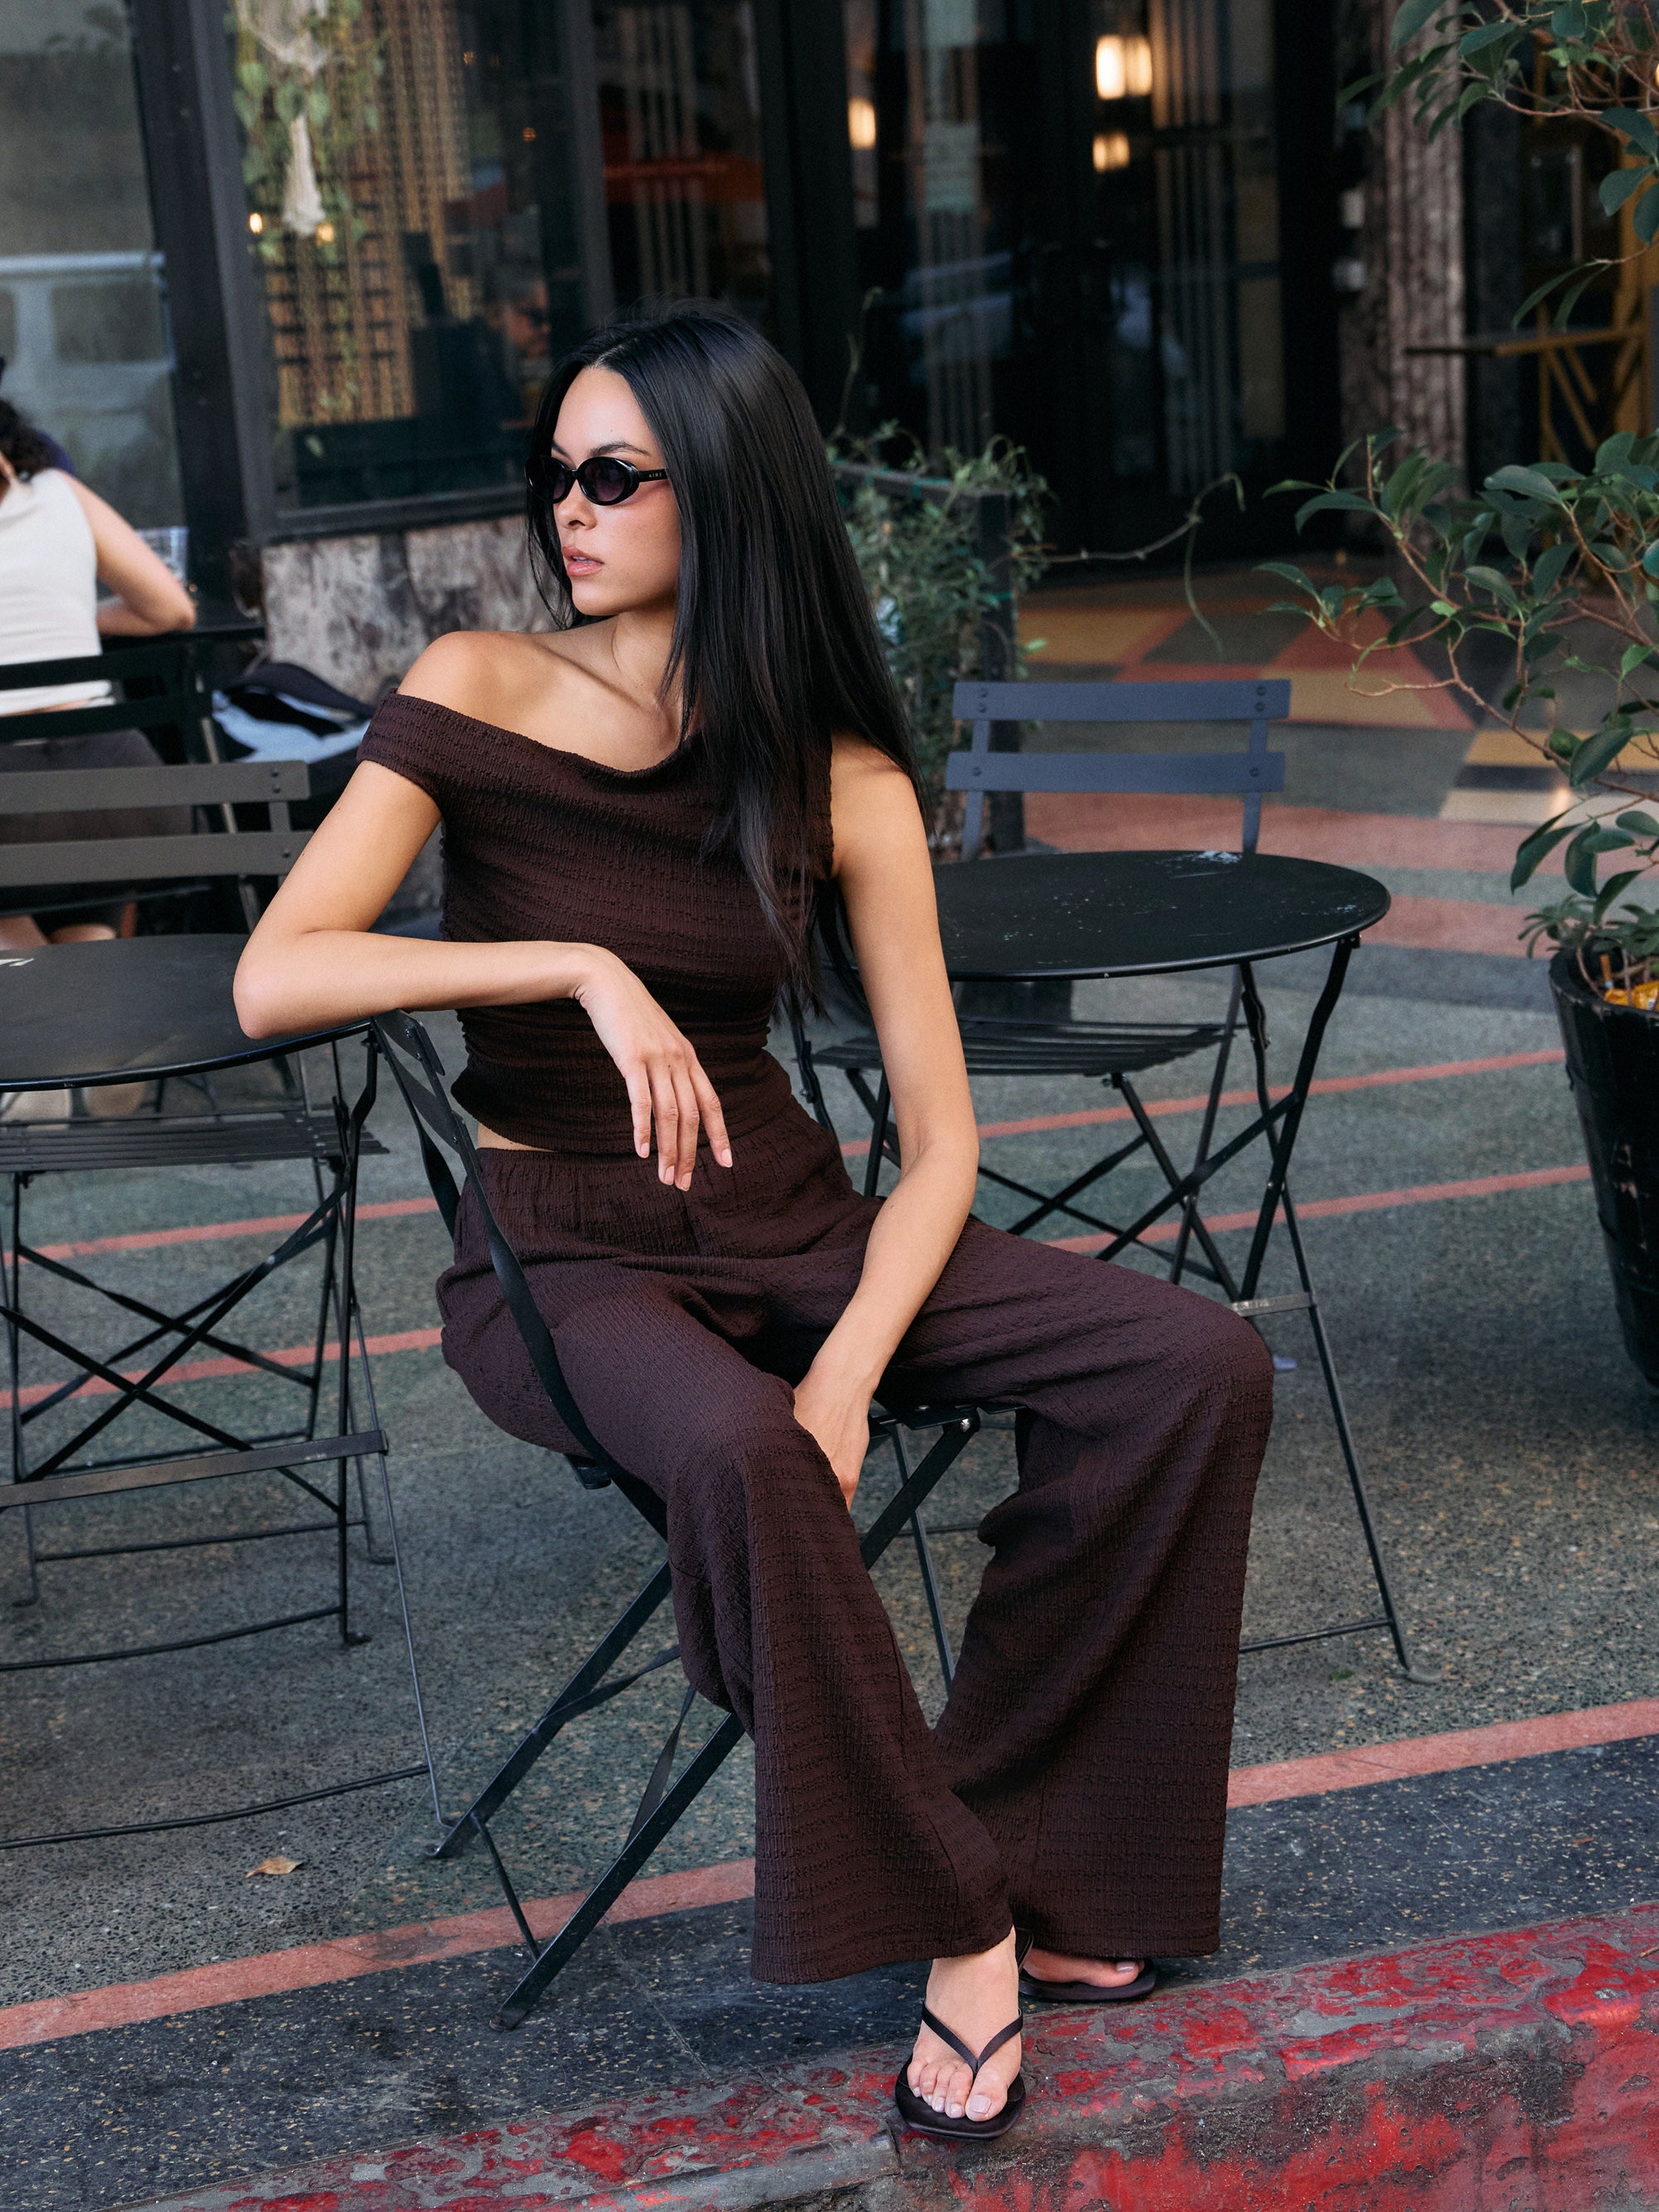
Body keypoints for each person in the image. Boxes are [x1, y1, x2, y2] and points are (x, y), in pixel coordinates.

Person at [233, 305, 1273, 2141]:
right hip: (563, 1251)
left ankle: (1033, 1831)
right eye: (554, 471)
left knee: (1192, 1361)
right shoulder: (475, 687)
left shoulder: (836, 775)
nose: (568, 506)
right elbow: (278, 974)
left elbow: (940, 1143)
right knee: (741, 1452)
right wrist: (572, 961)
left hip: (793, 1222)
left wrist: (853, 1366)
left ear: (722, 491)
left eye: (612, 474)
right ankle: (961, 1913)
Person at [0, 391, 197, 958]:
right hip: (120, 783)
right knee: (83, 943)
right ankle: (78, 985)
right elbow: (172, 610)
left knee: (22, 949)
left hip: (11, 799)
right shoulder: (62, 492)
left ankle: (31, 962)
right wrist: (65, 612)